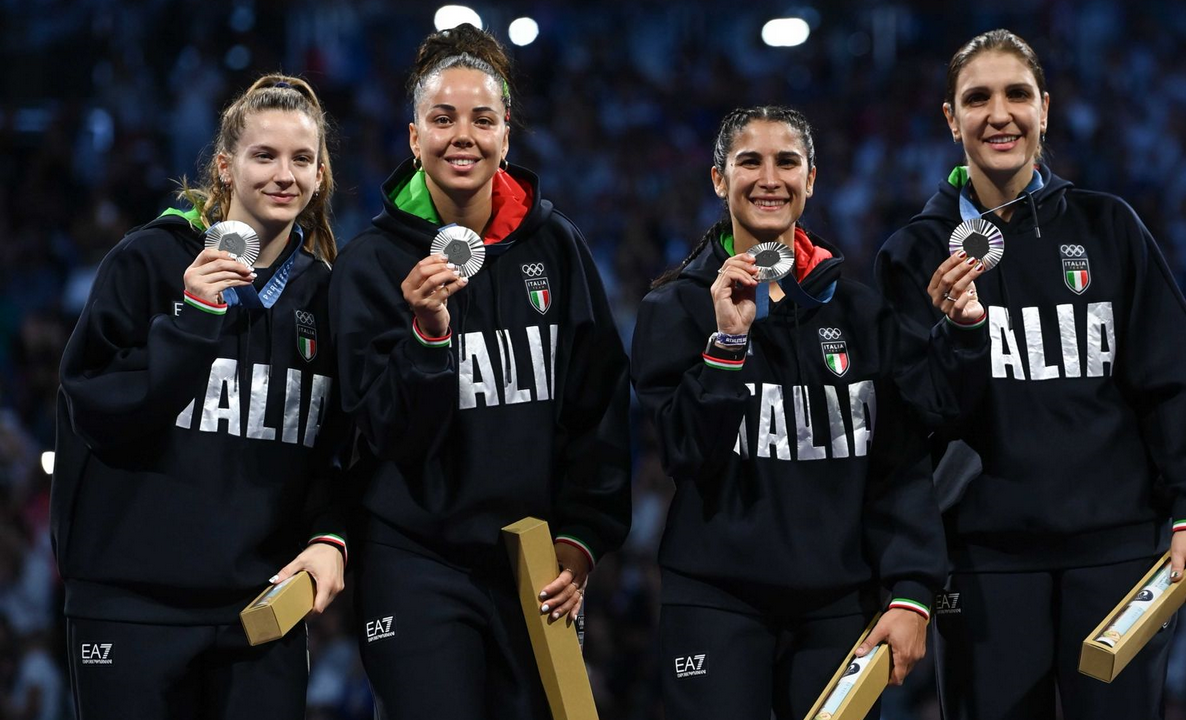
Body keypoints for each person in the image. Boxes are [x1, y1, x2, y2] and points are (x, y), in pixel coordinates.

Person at [876, 28, 1186, 720]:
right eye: (976, 99)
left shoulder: (1110, 227)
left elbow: (1172, 373)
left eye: (1016, 94)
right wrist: (963, 333)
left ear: (1045, 107)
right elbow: (912, 425)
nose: (999, 114)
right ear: (952, 121)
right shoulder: (913, 256)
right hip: (983, 563)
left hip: (1119, 554)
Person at [630, 106, 985, 720]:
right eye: (750, 162)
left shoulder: (860, 313)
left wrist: (911, 591)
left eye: (787, 162)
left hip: (838, 607)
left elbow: (899, 464)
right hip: (716, 600)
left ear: (811, 178)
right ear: (719, 180)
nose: (770, 178)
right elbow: (687, 454)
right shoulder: (676, 309)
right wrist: (726, 346)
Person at [329, 24, 630, 719]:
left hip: (533, 566)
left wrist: (581, 540)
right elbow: (380, 436)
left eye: (482, 119)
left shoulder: (556, 247)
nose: (462, 135)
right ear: (413, 138)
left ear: (506, 136)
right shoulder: (372, 267)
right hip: (413, 562)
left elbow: (600, 405)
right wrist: (427, 340)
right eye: (442, 119)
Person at [52, 74, 348, 720]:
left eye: (302, 159)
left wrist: (331, 535)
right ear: (225, 165)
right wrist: (191, 321)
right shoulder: (150, 262)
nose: (283, 174)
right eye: (263, 155)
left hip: (259, 617)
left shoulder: (324, 296)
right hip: (132, 610)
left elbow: (341, 446)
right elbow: (96, 411)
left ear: (321, 175)